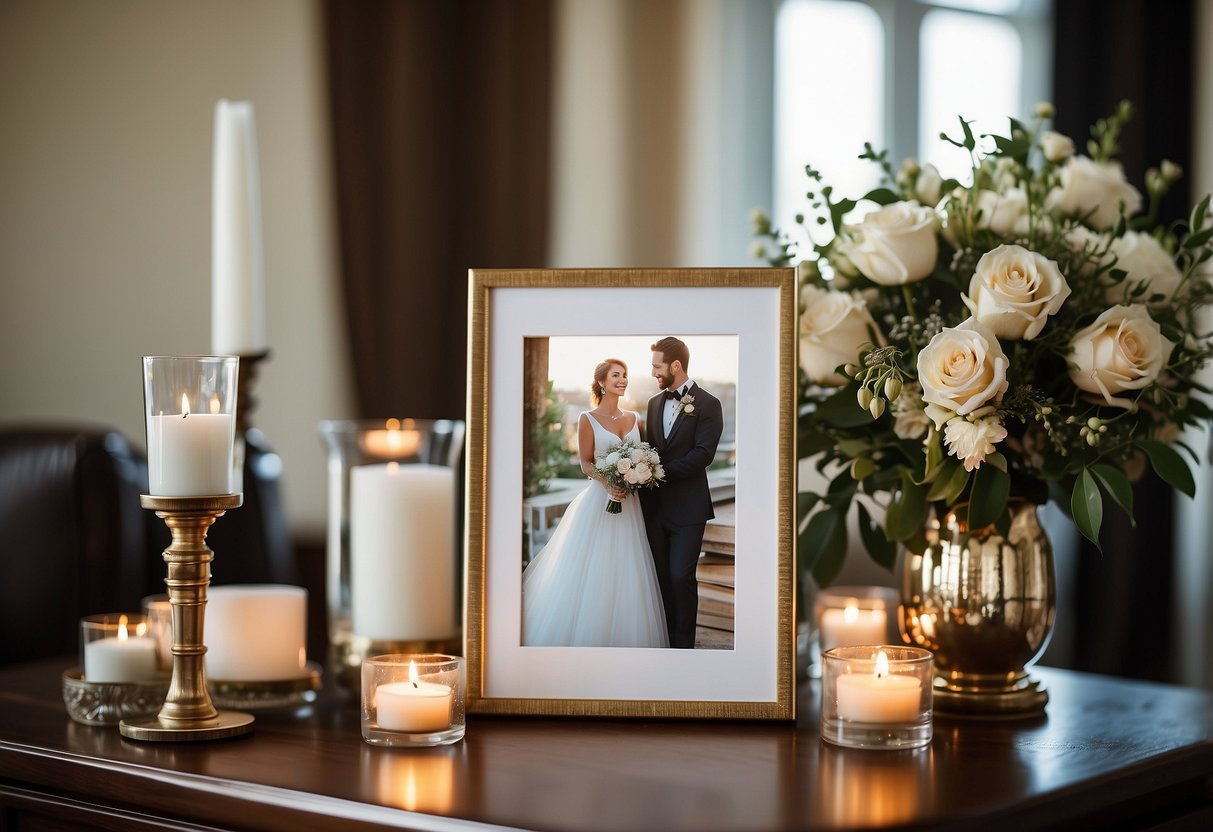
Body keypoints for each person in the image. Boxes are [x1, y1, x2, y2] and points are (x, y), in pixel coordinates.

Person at [521, 358, 669, 647]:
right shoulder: (587, 418)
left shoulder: (633, 417)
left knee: (629, 565)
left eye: (625, 375)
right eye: (616, 375)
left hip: (630, 505)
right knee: (595, 567)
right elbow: (585, 464)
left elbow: (643, 455)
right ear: (602, 382)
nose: (622, 380)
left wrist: (639, 473)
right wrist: (609, 482)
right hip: (601, 500)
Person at [640, 337, 724, 648]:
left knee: (680, 577)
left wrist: (658, 472)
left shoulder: (709, 404)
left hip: (689, 510)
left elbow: (703, 455)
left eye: (657, 366)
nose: (653, 373)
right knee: (660, 578)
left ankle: (684, 647)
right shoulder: (653, 403)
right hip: (654, 508)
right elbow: (650, 449)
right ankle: (663, 643)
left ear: (676, 366)